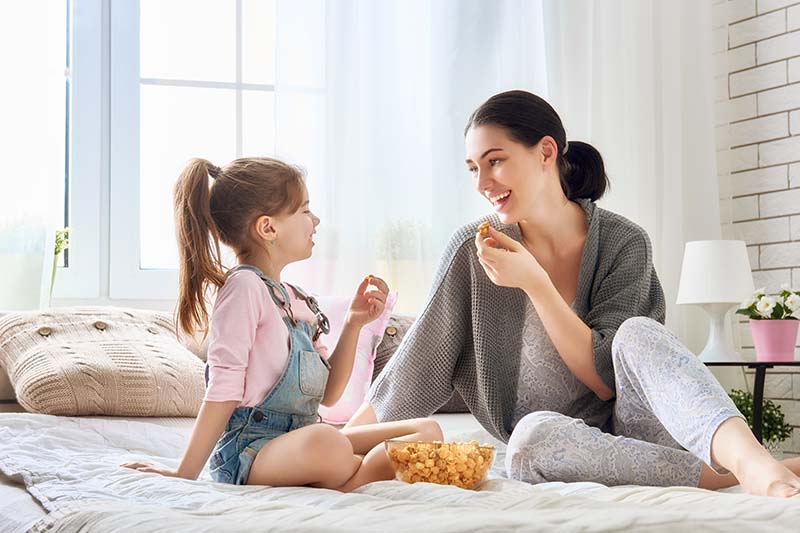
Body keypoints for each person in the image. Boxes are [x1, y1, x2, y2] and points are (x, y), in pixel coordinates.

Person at [347, 90, 800, 497]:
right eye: (473, 167)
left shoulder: (624, 242)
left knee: (638, 332)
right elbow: (418, 365)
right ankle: (734, 476)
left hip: (639, 426)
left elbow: (606, 377)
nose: (483, 182)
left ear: (546, 151)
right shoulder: (473, 249)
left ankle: (752, 462)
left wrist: (536, 284)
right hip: (559, 445)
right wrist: (337, 444)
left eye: (496, 160)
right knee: (528, 439)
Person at [123, 157, 441, 491]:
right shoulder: (244, 288)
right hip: (251, 453)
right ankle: (358, 474)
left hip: (302, 441)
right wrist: (183, 473)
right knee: (328, 441)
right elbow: (222, 392)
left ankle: (357, 468)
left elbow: (330, 396)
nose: (315, 220)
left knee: (426, 431)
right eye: (304, 210)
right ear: (268, 228)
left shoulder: (298, 300)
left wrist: (353, 325)